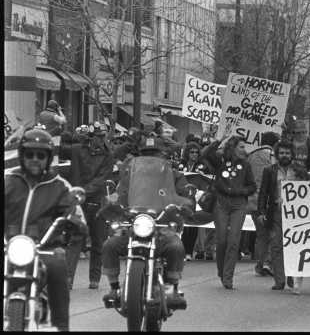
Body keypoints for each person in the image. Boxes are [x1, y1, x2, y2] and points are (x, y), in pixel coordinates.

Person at [4, 128, 86, 331]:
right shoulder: (8, 180)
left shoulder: (59, 186)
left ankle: (60, 326)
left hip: (44, 249)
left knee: (58, 269)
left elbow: (74, 213)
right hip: (8, 247)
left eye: (40, 155)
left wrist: (74, 223)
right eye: (29, 154)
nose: (34, 159)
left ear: (48, 158)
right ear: (22, 156)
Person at [101, 137, 190, 309]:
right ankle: (114, 288)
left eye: (154, 154)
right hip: (135, 224)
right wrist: (109, 201)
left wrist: (185, 203)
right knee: (110, 245)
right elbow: (120, 193)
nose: (151, 159)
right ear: (139, 156)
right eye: (146, 154)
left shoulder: (173, 174)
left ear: (162, 155)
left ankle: (172, 288)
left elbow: (185, 194)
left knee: (176, 247)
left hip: (162, 224)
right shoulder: (129, 175)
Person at [60, 122, 114, 289]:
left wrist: (83, 191)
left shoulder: (108, 155)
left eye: (104, 136)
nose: (102, 139)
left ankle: (94, 280)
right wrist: (56, 131)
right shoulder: (77, 149)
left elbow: (101, 179)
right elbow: (59, 148)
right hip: (78, 203)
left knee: (98, 242)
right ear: (92, 137)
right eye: (99, 136)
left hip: (97, 202)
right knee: (76, 239)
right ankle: (68, 279)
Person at [257, 140, 309, 293]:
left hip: (297, 214)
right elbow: (263, 193)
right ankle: (279, 280)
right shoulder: (269, 170)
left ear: (292, 154)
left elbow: (308, 191)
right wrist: (261, 212)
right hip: (277, 213)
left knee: (294, 246)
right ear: (277, 155)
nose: (284, 155)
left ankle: (292, 276)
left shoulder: (301, 171)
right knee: (276, 246)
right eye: (281, 153)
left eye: (287, 153)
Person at [213, 136, 257, 289]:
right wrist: (220, 140)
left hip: (238, 205)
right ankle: (221, 269)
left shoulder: (246, 165)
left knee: (233, 240)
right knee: (222, 240)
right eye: (241, 147)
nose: (244, 150)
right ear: (233, 148)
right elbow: (206, 154)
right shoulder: (221, 162)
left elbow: (252, 187)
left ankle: (227, 277)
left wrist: (239, 191)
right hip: (221, 204)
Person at [248, 131, 280, 276]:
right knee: (272, 232)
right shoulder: (273, 156)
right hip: (268, 199)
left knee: (261, 234)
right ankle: (268, 263)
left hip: (253, 199)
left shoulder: (250, 155)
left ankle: (260, 264)